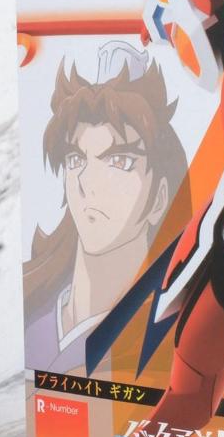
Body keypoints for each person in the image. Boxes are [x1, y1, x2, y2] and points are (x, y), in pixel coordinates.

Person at [23, 41, 190, 375]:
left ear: (160, 198)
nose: (89, 182)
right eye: (76, 159)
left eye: (119, 161)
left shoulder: (171, 332)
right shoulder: (34, 316)